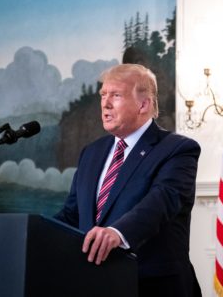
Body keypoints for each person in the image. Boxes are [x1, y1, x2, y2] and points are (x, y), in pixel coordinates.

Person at [54, 63, 201, 297]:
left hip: (153, 286)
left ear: (144, 104)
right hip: (96, 284)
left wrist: (117, 232)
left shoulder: (177, 149)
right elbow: (72, 214)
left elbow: (160, 202)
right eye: (103, 95)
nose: (105, 103)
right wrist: (33, 230)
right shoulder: (91, 153)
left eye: (116, 95)